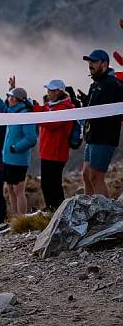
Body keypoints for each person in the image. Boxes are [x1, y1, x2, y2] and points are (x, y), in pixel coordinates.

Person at [0, 79, 37, 215]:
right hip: (8, 159)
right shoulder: (12, 112)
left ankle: (22, 219)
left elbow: (31, 138)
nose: (8, 99)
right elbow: (1, 105)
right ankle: (15, 219)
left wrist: (15, 148)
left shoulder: (25, 115)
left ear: (16, 99)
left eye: (10, 97)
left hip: (18, 160)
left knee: (18, 190)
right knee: (11, 189)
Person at [80, 50, 123, 197]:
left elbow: (111, 112)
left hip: (105, 136)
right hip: (92, 135)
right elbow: (94, 108)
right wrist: (84, 102)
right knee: (86, 174)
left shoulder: (112, 84)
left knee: (96, 176)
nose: (90, 65)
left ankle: (103, 213)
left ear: (104, 64)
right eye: (89, 62)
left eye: (94, 62)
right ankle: (89, 208)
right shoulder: (96, 84)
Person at [33, 79, 75, 210]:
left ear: (58, 92)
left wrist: (35, 112)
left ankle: (57, 210)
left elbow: (50, 123)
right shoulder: (52, 105)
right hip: (47, 151)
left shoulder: (64, 108)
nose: (48, 92)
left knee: (53, 184)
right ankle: (52, 209)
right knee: (47, 184)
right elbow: (43, 110)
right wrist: (32, 106)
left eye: (50, 90)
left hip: (56, 152)